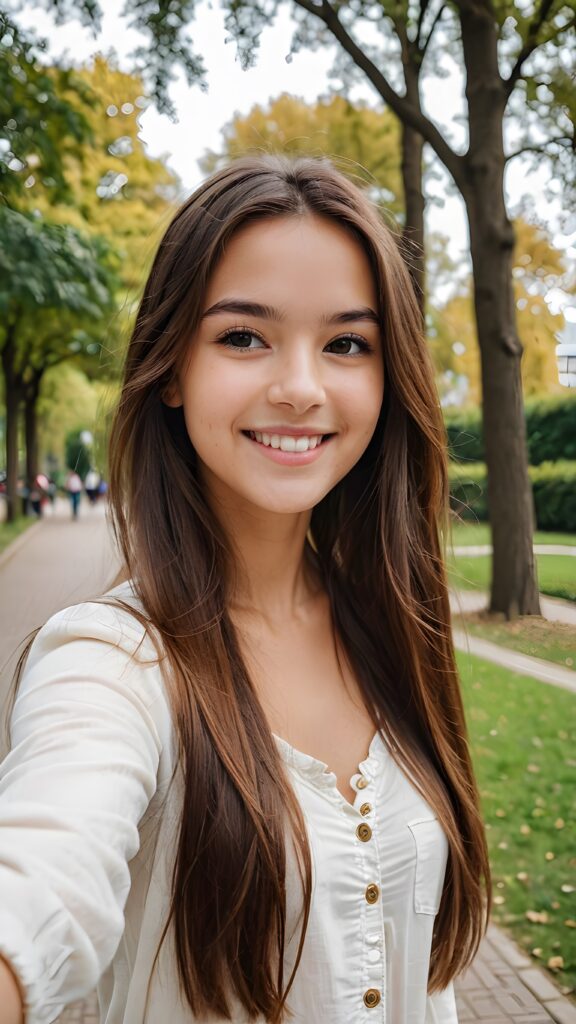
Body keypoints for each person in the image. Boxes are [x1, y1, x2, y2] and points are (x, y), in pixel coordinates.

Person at [0, 156, 490, 1024]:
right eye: (243, 336)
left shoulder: (390, 627)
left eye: (347, 343)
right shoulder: (112, 662)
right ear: (173, 370)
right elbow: (42, 883)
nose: (301, 387)